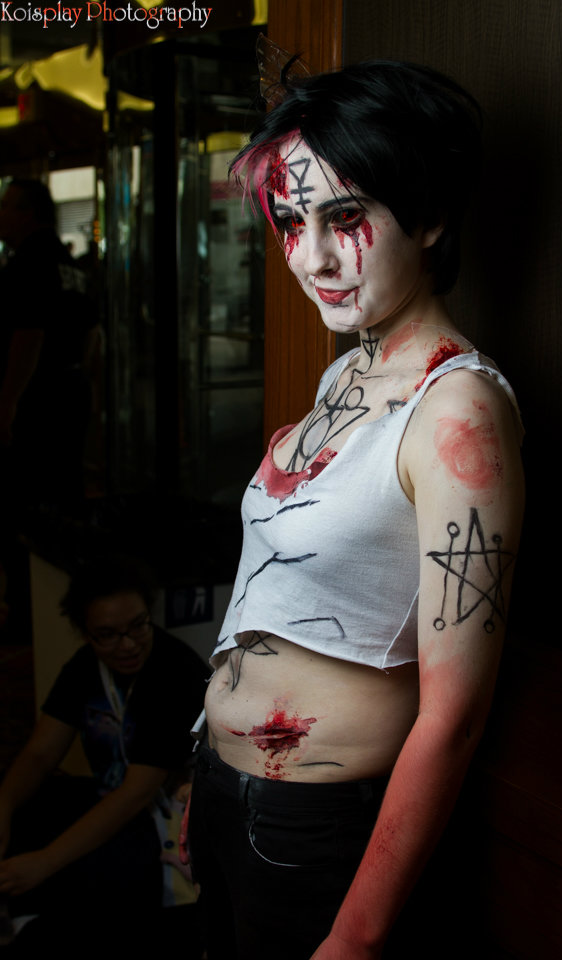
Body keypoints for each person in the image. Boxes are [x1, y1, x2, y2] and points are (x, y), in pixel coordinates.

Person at [188, 60, 525, 959]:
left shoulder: (456, 410)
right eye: (291, 223)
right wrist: (207, 772)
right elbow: (271, 592)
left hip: (319, 831)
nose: (313, 258)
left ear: (429, 215)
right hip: (228, 797)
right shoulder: (347, 371)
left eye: (345, 219)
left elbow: (455, 715)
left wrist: (358, 936)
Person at [0, 556, 209, 957]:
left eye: (138, 626)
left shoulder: (173, 670)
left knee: (98, 869)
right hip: (116, 796)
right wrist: (4, 805)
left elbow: (136, 794)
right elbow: (40, 754)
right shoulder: (85, 667)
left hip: (167, 815)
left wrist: (44, 863)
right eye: (108, 635)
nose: (127, 644)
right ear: (86, 634)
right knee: (30, 810)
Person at [0, 178, 99, 508]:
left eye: (6, 206)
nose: (1, 214)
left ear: (28, 214)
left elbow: (29, 336)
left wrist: (7, 403)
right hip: (71, 390)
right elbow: (91, 330)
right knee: (65, 485)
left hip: (37, 398)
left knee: (30, 494)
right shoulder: (67, 262)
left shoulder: (28, 263)